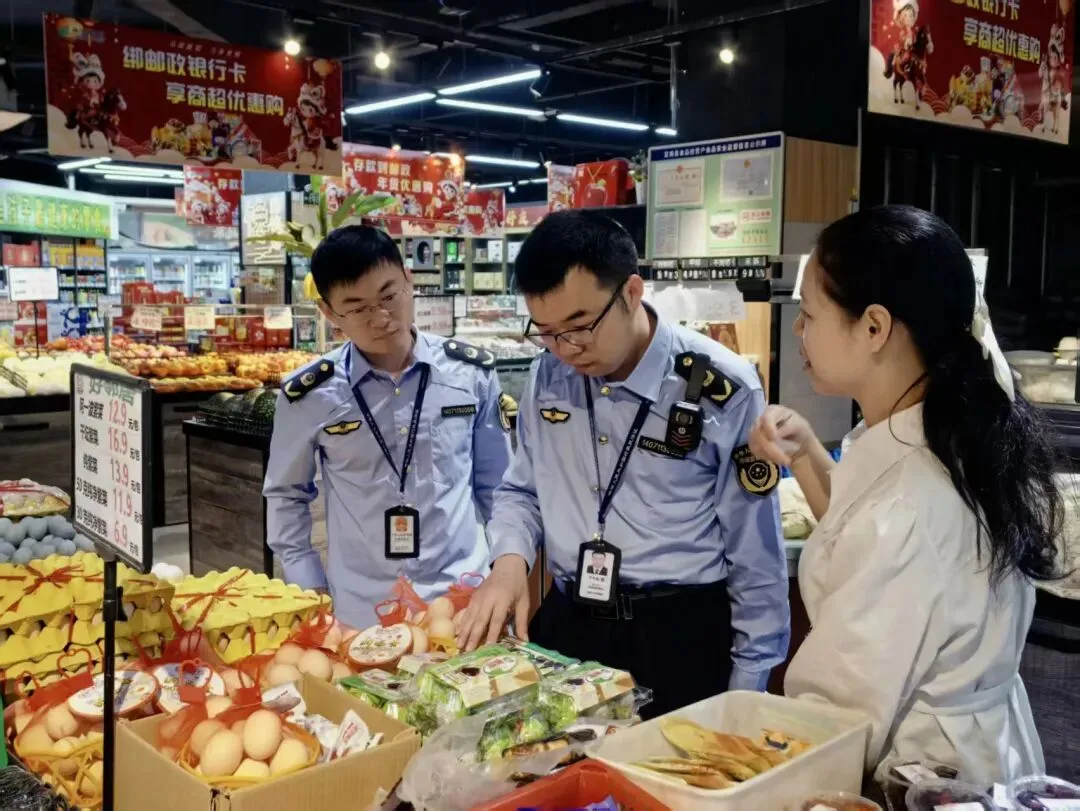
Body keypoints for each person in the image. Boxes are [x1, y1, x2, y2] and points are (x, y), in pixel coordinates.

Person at [748, 205, 1062, 783]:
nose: (799, 330)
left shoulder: (910, 505)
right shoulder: (951, 435)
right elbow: (860, 526)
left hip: (923, 773)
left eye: (810, 314)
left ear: (874, 327)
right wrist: (809, 453)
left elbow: (837, 717)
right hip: (980, 747)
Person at [457, 209, 790, 717]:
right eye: (545, 331)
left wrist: (748, 683)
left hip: (678, 634)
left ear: (632, 292)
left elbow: (755, 552)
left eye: (579, 325)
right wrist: (507, 568)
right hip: (570, 625)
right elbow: (521, 491)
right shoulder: (548, 376)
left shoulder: (718, 388)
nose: (566, 349)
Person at [264, 225, 513, 628]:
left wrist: (505, 570)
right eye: (358, 308)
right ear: (329, 312)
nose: (381, 317)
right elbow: (285, 495)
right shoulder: (310, 395)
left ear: (409, 281)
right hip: (362, 608)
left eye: (389, 296)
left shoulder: (469, 374)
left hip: (464, 595)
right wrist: (310, 585)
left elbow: (498, 487)